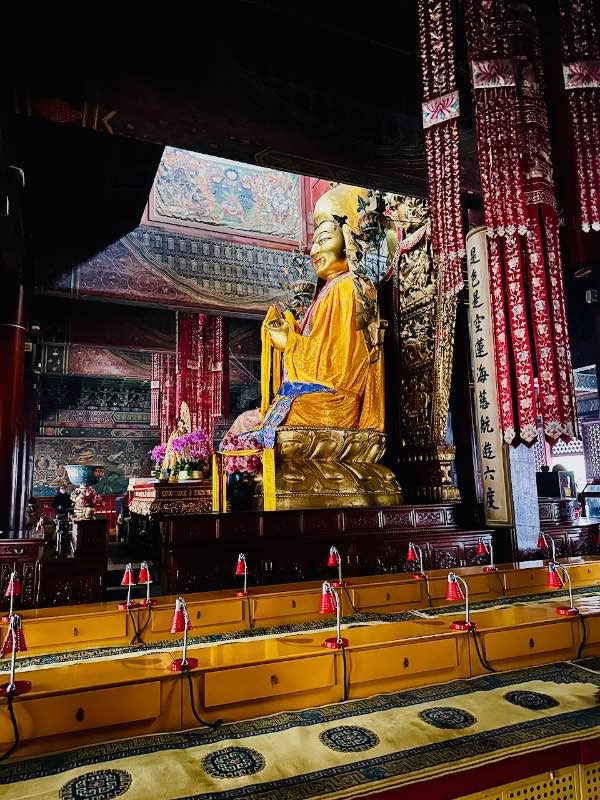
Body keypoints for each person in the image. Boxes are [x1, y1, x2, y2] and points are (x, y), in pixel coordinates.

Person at [223, 184, 385, 449]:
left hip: (334, 399)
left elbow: (338, 363)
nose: (313, 252)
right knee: (247, 421)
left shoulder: (347, 288)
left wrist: (291, 342)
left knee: (266, 424)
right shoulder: (327, 292)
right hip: (314, 395)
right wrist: (289, 333)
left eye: (323, 241)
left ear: (348, 241)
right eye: (313, 243)